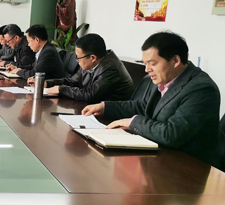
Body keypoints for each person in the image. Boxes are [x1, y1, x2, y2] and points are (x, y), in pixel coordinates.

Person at [82, 31, 222, 167]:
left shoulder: (201, 89)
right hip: (160, 156)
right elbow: (143, 106)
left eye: (152, 63)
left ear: (175, 61)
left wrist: (133, 122)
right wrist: (104, 107)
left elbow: (172, 134)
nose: (147, 69)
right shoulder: (162, 78)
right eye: (145, 63)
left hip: (189, 167)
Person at [33, 33, 134, 102]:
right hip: (94, 108)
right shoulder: (91, 62)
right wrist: (47, 83)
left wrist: (62, 89)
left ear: (92, 58)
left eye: (78, 57)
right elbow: (72, 81)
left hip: (111, 117)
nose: (77, 60)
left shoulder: (110, 69)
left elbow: (91, 95)